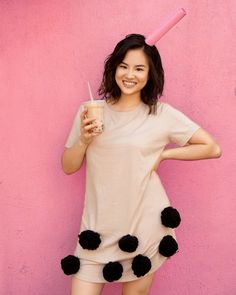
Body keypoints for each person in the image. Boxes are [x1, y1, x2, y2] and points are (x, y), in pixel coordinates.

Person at [61, 34, 222, 295]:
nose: (129, 74)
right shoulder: (90, 111)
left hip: (142, 227)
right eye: (123, 66)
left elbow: (212, 148)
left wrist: (164, 155)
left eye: (139, 68)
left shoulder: (161, 114)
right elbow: (68, 166)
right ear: (113, 68)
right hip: (96, 229)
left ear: (150, 74)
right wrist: (84, 139)